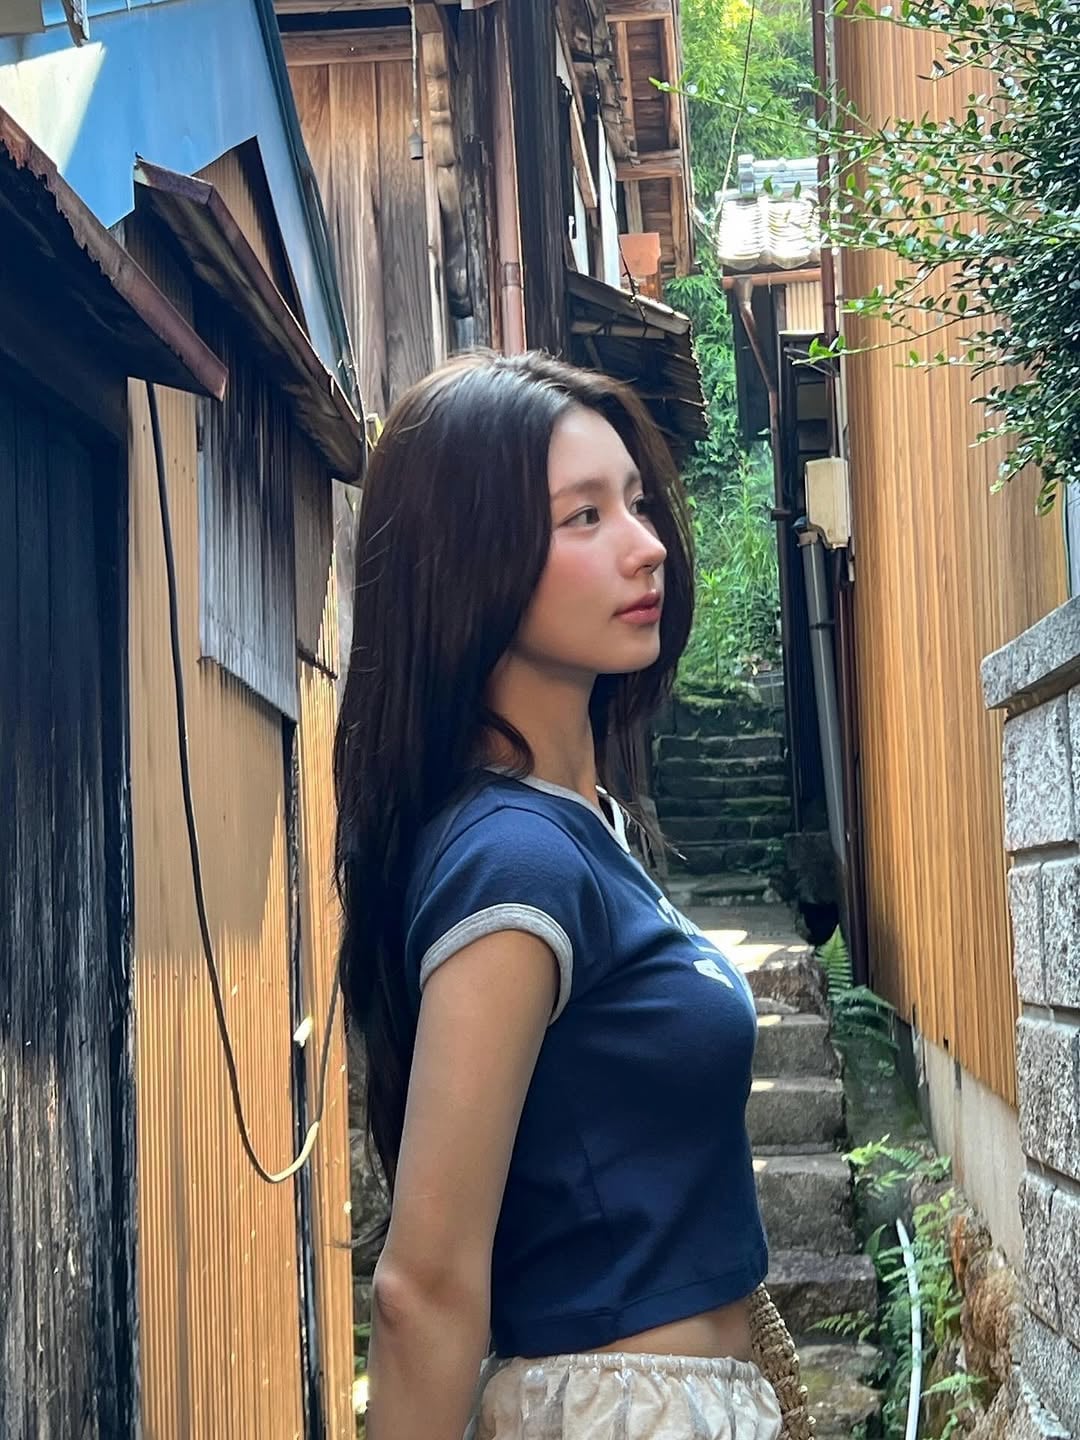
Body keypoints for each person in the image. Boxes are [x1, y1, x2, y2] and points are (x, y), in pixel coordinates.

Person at [334, 351, 782, 1440]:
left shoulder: (576, 829)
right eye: (583, 517)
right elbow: (421, 1289)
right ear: (467, 562)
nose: (647, 545)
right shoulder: (514, 863)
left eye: (636, 502)